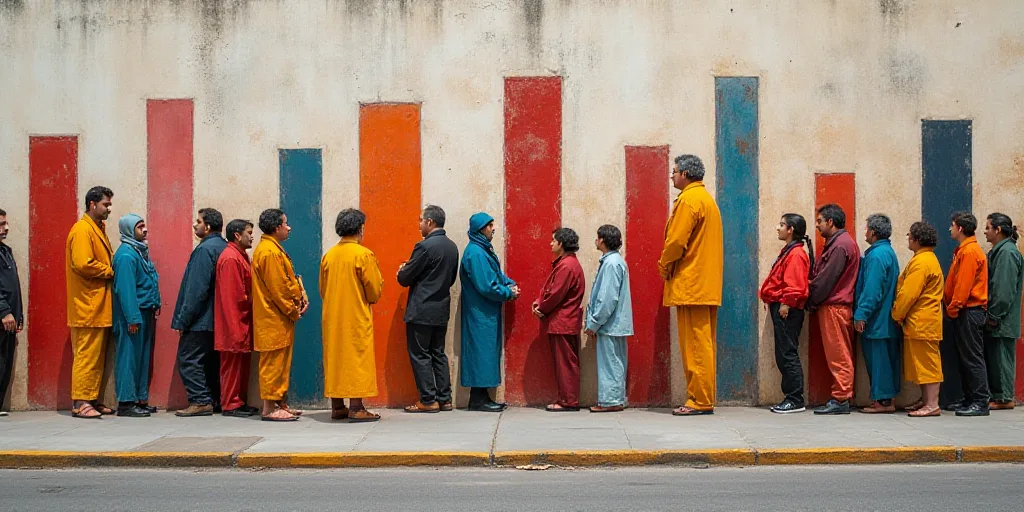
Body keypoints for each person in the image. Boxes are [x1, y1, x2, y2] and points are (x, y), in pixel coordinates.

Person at [658, 154, 723, 416]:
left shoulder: (689, 200)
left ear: (685, 173)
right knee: (704, 343)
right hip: (704, 284)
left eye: (674, 172)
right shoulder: (707, 200)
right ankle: (701, 396)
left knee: (695, 345)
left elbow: (675, 242)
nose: (672, 176)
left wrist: (663, 264)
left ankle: (700, 400)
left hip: (691, 283)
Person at [320, 209, 385, 422]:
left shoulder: (329, 255)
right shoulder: (363, 254)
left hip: (332, 316)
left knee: (336, 357)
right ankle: (356, 407)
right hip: (355, 315)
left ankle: (337, 406)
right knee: (356, 358)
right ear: (360, 228)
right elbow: (374, 290)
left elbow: (323, 289)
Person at [398, 205, 459, 413]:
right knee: (438, 353)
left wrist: (403, 270)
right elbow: (450, 279)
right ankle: (445, 398)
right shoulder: (452, 247)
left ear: (430, 222)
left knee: (420, 354)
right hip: (441, 309)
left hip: (421, 309)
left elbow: (405, 278)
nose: (419, 225)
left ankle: (428, 399)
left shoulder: (424, 247)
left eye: (421, 220)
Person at [460, 212, 520, 412]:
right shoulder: (476, 253)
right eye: (490, 226)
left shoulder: (482, 250)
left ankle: (481, 397)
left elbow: (496, 275)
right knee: (481, 353)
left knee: (484, 353)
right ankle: (478, 399)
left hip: (485, 312)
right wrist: (507, 293)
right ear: (481, 228)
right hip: (480, 313)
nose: (493, 229)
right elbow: (486, 285)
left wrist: (509, 284)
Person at [252, 208, 307, 421]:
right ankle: (269, 407)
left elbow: (287, 281)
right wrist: (293, 310)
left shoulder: (271, 249)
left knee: (280, 362)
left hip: (277, 317)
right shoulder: (269, 252)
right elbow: (280, 288)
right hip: (272, 317)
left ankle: (279, 402)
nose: (289, 227)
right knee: (273, 363)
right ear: (277, 228)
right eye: (286, 223)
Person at [172, 208, 228, 417]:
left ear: (209, 226)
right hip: (216, 319)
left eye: (198, 221)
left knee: (189, 358)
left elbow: (196, 289)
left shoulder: (204, 250)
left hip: (200, 319)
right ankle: (213, 399)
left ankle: (200, 400)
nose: (195, 225)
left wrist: (183, 320)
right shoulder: (223, 247)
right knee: (210, 362)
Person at [66, 186, 116, 419]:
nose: (109, 209)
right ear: (92, 204)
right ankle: (80, 402)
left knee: (96, 357)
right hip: (86, 306)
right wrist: (108, 270)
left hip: (96, 305)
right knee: (86, 355)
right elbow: (82, 263)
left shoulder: (97, 229)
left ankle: (91, 399)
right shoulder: (82, 230)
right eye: (106, 204)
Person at [807, 203, 861, 415]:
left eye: (820, 221)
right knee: (840, 353)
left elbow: (825, 280)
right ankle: (841, 396)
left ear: (830, 222)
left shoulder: (839, 246)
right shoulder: (842, 243)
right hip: (836, 306)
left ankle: (841, 398)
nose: (818, 226)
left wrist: (811, 300)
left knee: (838, 354)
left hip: (834, 307)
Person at [759, 214, 813, 414]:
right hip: (782, 307)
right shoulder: (790, 251)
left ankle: (795, 399)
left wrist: (785, 304)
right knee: (783, 353)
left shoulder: (796, 254)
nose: (777, 228)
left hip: (787, 309)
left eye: (781, 225)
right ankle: (791, 397)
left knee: (788, 353)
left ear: (790, 230)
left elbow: (795, 285)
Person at [893, 222, 945, 417]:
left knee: (928, 364)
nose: (908, 239)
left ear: (916, 239)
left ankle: (932, 404)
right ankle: (927, 401)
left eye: (909, 236)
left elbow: (909, 293)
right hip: (923, 321)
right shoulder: (927, 259)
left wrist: (897, 314)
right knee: (923, 364)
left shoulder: (922, 262)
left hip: (922, 321)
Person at [111, 214, 161, 417]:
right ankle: (126, 402)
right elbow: (126, 290)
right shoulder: (126, 255)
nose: (145, 230)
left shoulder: (139, 252)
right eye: (140, 227)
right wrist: (132, 317)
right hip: (132, 315)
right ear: (129, 230)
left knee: (141, 358)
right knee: (128, 358)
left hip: (145, 311)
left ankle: (139, 399)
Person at [943, 212, 991, 417]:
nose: (950, 229)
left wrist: (952, 309)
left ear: (960, 228)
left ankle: (980, 401)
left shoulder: (969, 252)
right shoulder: (964, 250)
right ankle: (970, 398)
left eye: (952, 225)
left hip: (969, 311)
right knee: (966, 357)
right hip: (965, 311)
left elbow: (963, 285)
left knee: (972, 357)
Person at [853, 214, 902, 413]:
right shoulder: (887, 252)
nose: (865, 232)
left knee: (879, 360)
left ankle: (882, 401)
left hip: (877, 321)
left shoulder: (877, 255)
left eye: (866, 229)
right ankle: (885, 399)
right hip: (886, 320)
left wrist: (861, 314)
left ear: (873, 232)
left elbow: (872, 289)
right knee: (886, 360)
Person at [533, 227, 585, 412]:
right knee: (566, 361)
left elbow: (556, 294)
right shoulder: (568, 263)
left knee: (565, 363)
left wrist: (542, 307)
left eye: (553, 240)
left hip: (563, 321)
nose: (551, 243)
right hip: (565, 321)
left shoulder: (567, 266)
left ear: (561, 244)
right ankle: (567, 398)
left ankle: (568, 400)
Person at [585, 225, 633, 413]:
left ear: (603, 240)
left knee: (610, 363)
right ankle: (615, 399)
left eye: (598, 238)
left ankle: (611, 401)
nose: (596, 241)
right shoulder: (615, 261)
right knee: (616, 362)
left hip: (610, 324)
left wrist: (594, 323)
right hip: (616, 324)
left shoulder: (611, 263)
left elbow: (607, 299)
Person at [215, 219, 258, 418]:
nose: (252, 236)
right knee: (232, 364)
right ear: (237, 235)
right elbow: (232, 296)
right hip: (234, 321)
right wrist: (235, 327)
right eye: (249, 232)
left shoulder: (239, 256)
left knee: (240, 363)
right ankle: (231, 403)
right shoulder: (231, 258)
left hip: (241, 319)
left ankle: (238, 401)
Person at [983, 213, 1023, 410]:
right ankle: (1000, 395)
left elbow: (1003, 289)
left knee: (1002, 358)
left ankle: (1004, 397)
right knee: (997, 357)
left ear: (998, 230)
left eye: (988, 227)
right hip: (999, 318)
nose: (985, 231)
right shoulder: (1000, 251)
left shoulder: (1006, 253)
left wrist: (994, 315)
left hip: (1002, 320)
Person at [0, 209, 23, 417]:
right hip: (3, 317)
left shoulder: (6, 251)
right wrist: (5, 311)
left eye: (6, 223)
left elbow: (14, 287)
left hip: (9, 320)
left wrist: (18, 314)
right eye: (1, 224)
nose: (6, 228)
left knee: (5, 361)